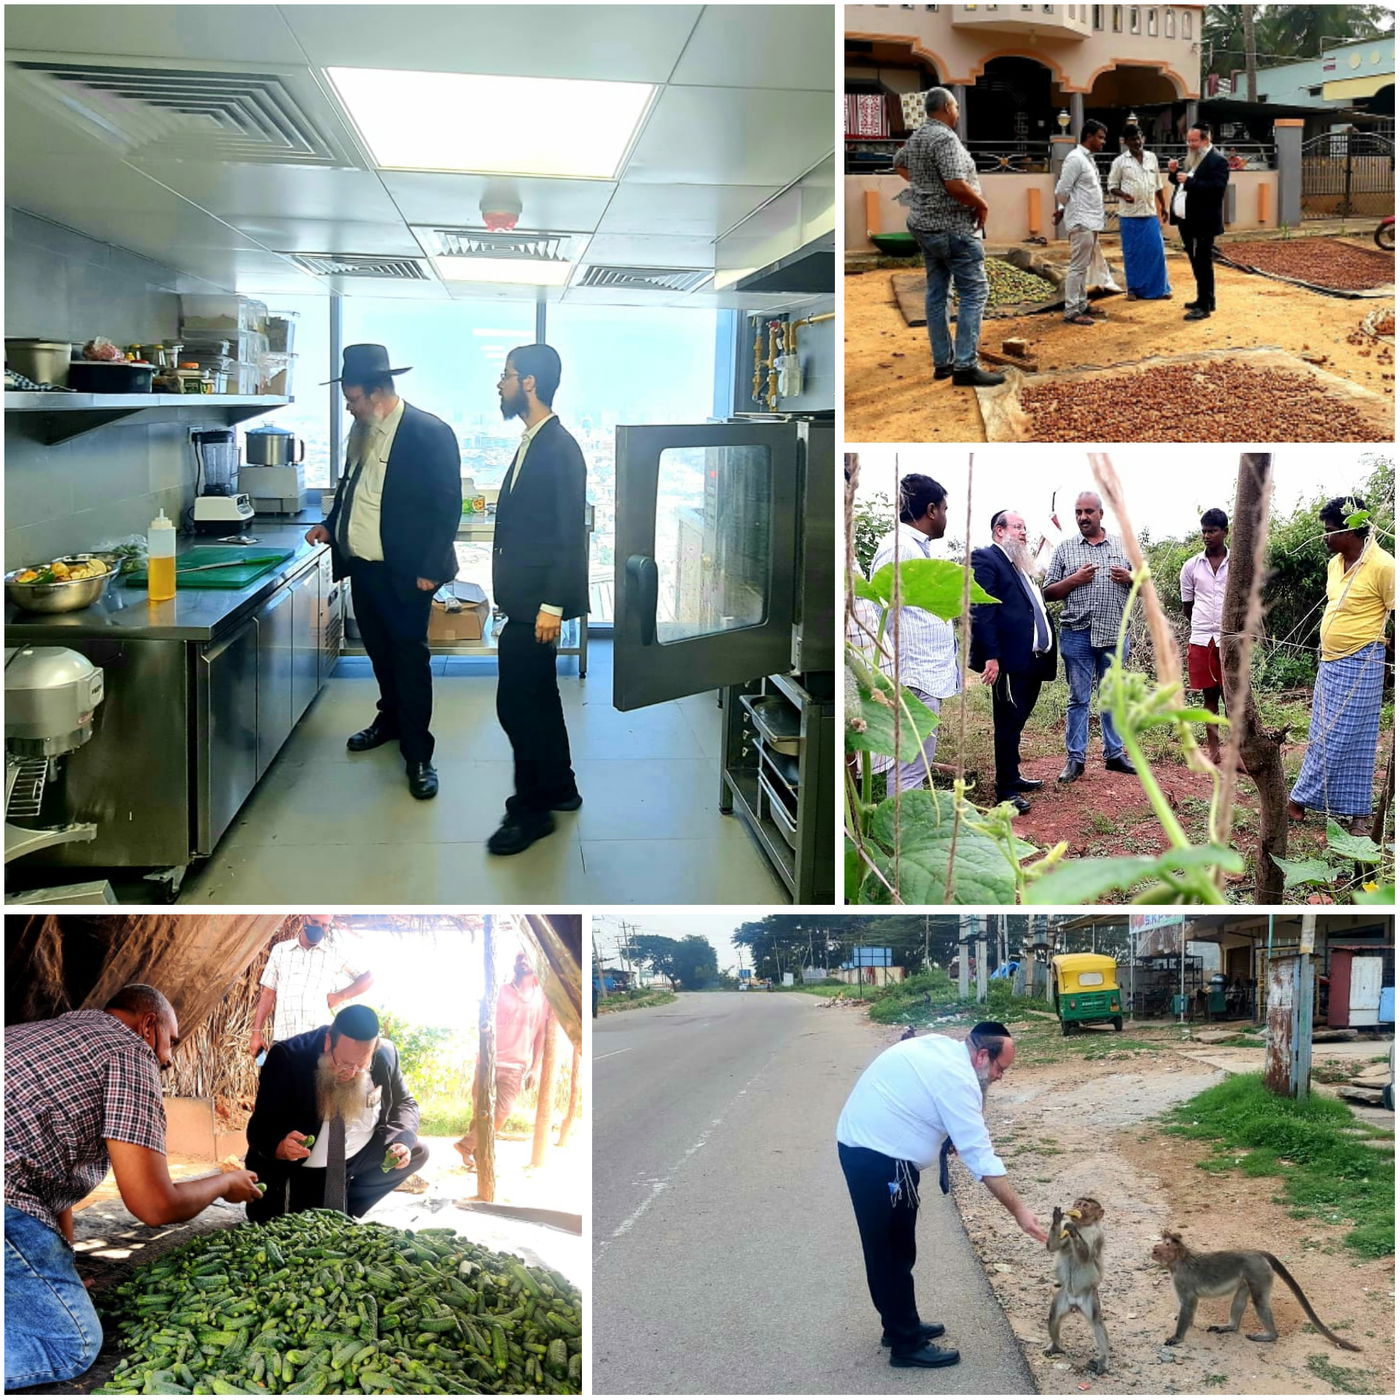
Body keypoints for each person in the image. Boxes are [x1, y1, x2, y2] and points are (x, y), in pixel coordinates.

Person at [5, 986, 261, 1390]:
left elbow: (52, 1184)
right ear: (148, 1026)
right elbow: (154, 1205)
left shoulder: (52, 1036)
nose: (169, 1059)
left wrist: (60, 1271)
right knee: (71, 1343)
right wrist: (224, 1182)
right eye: (171, 1042)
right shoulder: (129, 1053)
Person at [836, 1022, 1047, 1371]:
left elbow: (928, 1098)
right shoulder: (958, 1080)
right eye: (1001, 1068)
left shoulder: (945, 1048)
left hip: (876, 1151)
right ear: (982, 1055)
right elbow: (981, 1157)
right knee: (889, 1253)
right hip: (876, 1158)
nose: (1000, 1077)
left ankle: (899, 1323)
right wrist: (1020, 1212)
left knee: (899, 1248)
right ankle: (905, 1344)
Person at [307, 344, 461, 800]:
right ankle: (389, 719)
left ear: (376, 392)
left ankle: (418, 754)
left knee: (409, 660)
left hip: (408, 573)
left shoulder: (428, 432)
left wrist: (431, 568)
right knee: (379, 653)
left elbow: (447, 506)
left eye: (352, 398)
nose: (349, 407)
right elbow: (352, 490)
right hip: (364, 569)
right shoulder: (363, 432)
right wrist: (331, 525)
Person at [489, 344, 589, 856]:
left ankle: (531, 813)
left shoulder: (559, 447)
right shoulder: (535, 440)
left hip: (536, 606)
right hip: (525, 601)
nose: (500, 384)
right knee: (541, 698)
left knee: (518, 707)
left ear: (529, 383)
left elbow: (570, 534)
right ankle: (560, 787)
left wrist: (552, 605)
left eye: (506, 375)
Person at [244, 1004, 427, 1222]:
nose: (351, 1073)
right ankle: (327, 1203)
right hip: (303, 1168)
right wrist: (279, 1146)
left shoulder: (385, 1054)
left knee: (417, 1151)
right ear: (328, 1041)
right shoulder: (288, 1057)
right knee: (290, 1228)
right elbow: (259, 1129)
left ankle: (347, 1205)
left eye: (361, 1065)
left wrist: (401, 1141)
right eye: (345, 1063)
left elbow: (405, 1103)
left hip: (355, 1157)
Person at [1288, 496, 1394, 836]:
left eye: (1330, 530)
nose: (1325, 537)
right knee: (1321, 733)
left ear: (1351, 531)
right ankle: (1344, 810)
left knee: (1350, 736)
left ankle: (1314, 803)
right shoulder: (1335, 564)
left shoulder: (1384, 565)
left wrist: (1390, 663)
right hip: (1330, 662)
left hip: (1363, 662)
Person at [893, 87, 1005, 388]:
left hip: (925, 225)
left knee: (937, 291)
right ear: (945, 107)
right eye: (955, 107)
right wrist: (981, 204)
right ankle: (965, 365)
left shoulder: (917, 137)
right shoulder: (944, 138)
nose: (957, 112)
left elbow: (899, 162)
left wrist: (926, 188)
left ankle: (943, 362)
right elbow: (955, 184)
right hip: (952, 227)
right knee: (974, 291)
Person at [866, 475, 961, 794]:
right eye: (945, 509)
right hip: (912, 676)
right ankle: (904, 825)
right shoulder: (899, 548)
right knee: (909, 767)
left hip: (922, 675)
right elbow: (880, 612)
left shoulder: (914, 548)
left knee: (916, 764)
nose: (946, 516)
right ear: (931, 510)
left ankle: (905, 822)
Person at [1043, 491, 1138, 783]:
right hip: (1077, 635)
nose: (1083, 517)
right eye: (1078, 512)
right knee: (1078, 698)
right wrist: (1074, 580)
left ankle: (1114, 754)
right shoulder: (1065, 549)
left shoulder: (1124, 546)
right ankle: (1075, 759)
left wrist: (1130, 579)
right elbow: (1047, 593)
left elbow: (1145, 586)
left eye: (1088, 512)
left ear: (1100, 514)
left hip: (1114, 634)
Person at [970, 510, 1058, 813]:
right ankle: (1005, 790)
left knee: (1017, 722)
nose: (1024, 533)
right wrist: (991, 656)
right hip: (1008, 661)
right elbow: (982, 609)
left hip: (1031, 660)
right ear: (999, 531)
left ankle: (1013, 774)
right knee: (1007, 724)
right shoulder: (986, 559)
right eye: (1018, 527)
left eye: (1025, 528)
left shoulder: (1018, 565)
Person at [455, 951, 549, 1169]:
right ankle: (477, 1157)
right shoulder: (499, 991)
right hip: (487, 1061)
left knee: (503, 1111)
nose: (522, 961)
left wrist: (535, 1068)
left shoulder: (542, 998)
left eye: (527, 957)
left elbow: (541, 1034)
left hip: (516, 1065)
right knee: (480, 1111)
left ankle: (466, 1145)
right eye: (519, 958)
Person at [250, 916, 374, 1056]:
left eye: (324, 925)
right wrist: (256, 1033)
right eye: (314, 922)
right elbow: (268, 993)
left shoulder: (334, 952)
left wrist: (340, 996)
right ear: (304, 918)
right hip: (283, 1041)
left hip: (318, 1044)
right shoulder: (280, 950)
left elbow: (368, 978)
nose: (319, 928)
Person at [1179, 509, 1231, 767]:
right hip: (1201, 639)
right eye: (1204, 531)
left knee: (1232, 698)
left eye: (1213, 531)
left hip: (1229, 639)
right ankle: (1214, 751)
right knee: (1209, 697)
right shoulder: (1191, 566)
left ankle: (1238, 751)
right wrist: (1203, 625)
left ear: (1225, 532)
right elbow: (1187, 606)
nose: (1207, 536)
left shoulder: (1236, 563)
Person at [1166, 123, 1230, 322]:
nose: (1190, 144)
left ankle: (1204, 305)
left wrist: (1189, 181)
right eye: (1188, 140)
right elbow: (1181, 184)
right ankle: (1205, 299)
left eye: (1194, 141)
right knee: (1196, 261)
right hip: (1187, 220)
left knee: (1202, 262)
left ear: (1206, 140)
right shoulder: (1192, 158)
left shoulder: (1218, 161)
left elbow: (1217, 189)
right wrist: (1173, 173)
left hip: (1203, 221)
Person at [1108, 125, 1171, 301]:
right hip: (1129, 216)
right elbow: (1112, 186)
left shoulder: (1152, 158)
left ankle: (1160, 289)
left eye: (1138, 137)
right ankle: (1133, 289)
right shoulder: (1119, 162)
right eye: (1132, 139)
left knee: (1156, 251)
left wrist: (1163, 207)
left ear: (1142, 137)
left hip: (1149, 213)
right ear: (1125, 142)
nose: (1137, 142)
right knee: (1133, 254)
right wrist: (1124, 195)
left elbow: (1158, 185)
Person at [1056, 120, 1109, 327]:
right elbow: (1062, 190)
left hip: (1091, 221)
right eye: (1100, 137)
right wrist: (1067, 209)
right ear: (1089, 136)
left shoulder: (1087, 159)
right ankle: (1071, 310)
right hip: (1081, 221)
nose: (1103, 142)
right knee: (1077, 267)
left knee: (1083, 265)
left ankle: (1080, 303)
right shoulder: (1075, 159)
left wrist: (1063, 209)